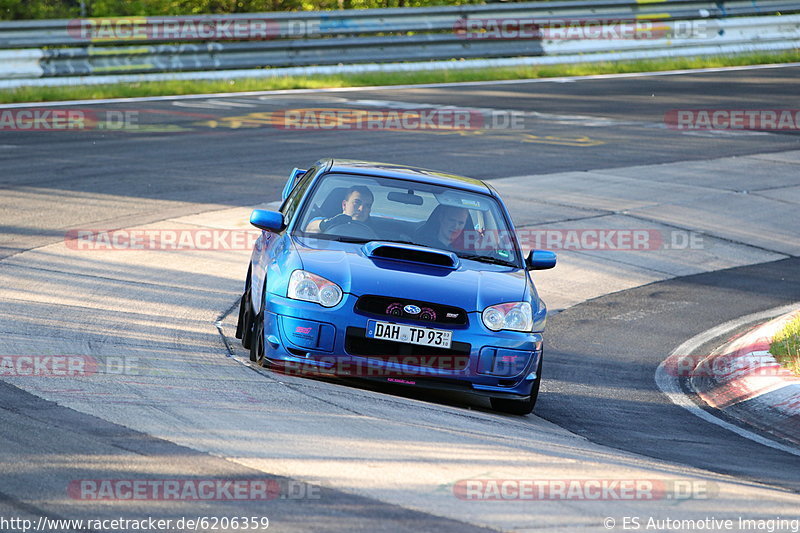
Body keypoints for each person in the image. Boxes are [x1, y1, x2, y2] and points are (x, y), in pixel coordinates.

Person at [305, 185, 374, 233]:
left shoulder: (375, 233)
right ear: (344, 205)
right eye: (356, 203)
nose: (361, 209)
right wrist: (328, 224)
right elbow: (310, 228)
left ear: (369, 210)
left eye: (367, 205)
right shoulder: (328, 222)